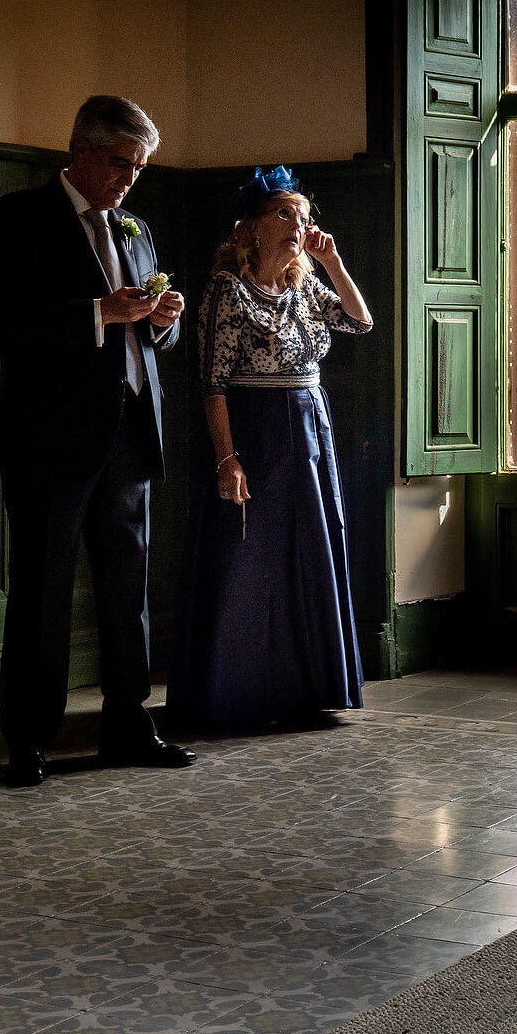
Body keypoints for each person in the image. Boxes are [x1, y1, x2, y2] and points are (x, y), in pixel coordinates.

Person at [0, 94, 196, 788]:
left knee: (127, 591)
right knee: (40, 593)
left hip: (131, 435)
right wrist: (99, 311)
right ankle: (29, 740)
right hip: (50, 442)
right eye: (120, 162)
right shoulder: (16, 219)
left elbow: (156, 338)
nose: (130, 178)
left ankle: (129, 726)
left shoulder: (136, 228)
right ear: (80, 151)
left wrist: (163, 320)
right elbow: (4, 323)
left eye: (139, 167)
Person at [167, 167, 372, 727]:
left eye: (302, 216)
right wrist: (226, 458)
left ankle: (304, 687)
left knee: (308, 551)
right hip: (254, 432)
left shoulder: (306, 286)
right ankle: (237, 689)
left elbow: (361, 321)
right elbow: (212, 383)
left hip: (308, 428)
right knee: (247, 556)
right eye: (283, 213)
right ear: (251, 228)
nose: (296, 224)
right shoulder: (226, 291)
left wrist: (332, 263)